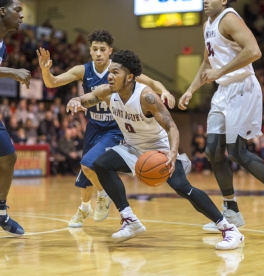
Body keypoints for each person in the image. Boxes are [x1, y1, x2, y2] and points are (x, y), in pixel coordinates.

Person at [66, 49, 244, 250]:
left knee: (182, 187)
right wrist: (76, 101)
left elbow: (172, 127)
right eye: (110, 71)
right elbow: (86, 98)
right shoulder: (108, 92)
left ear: (130, 77)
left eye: (115, 72)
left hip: (159, 149)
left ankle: (229, 229)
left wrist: (172, 152)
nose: (110, 75)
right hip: (132, 148)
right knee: (101, 164)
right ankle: (129, 219)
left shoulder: (146, 97)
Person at [178, 0, 264, 233]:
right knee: (213, 151)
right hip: (223, 91)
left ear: (223, 0)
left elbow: (254, 51)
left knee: (236, 151)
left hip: (242, 87)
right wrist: (190, 90)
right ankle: (231, 210)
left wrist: (220, 71)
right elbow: (206, 63)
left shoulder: (230, 18)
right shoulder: (207, 25)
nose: (205, 0)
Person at [37, 29, 175, 228]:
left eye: (103, 49)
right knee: (85, 177)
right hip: (93, 127)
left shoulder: (119, 70)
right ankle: (85, 207)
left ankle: (103, 195)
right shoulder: (84, 70)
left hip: (116, 129)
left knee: (88, 164)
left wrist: (164, 91)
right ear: (90, 52)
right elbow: (52, 82)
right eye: (95, 49)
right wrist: (44, 70)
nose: (99, 53)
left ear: (110, 51)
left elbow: (152, 82)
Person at [0, 0, 31, 236]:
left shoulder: (3, 47)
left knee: (8, 157)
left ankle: (0, 212)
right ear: (2, 11)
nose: (22, 15)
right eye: (17, 10)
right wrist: (11, 72)